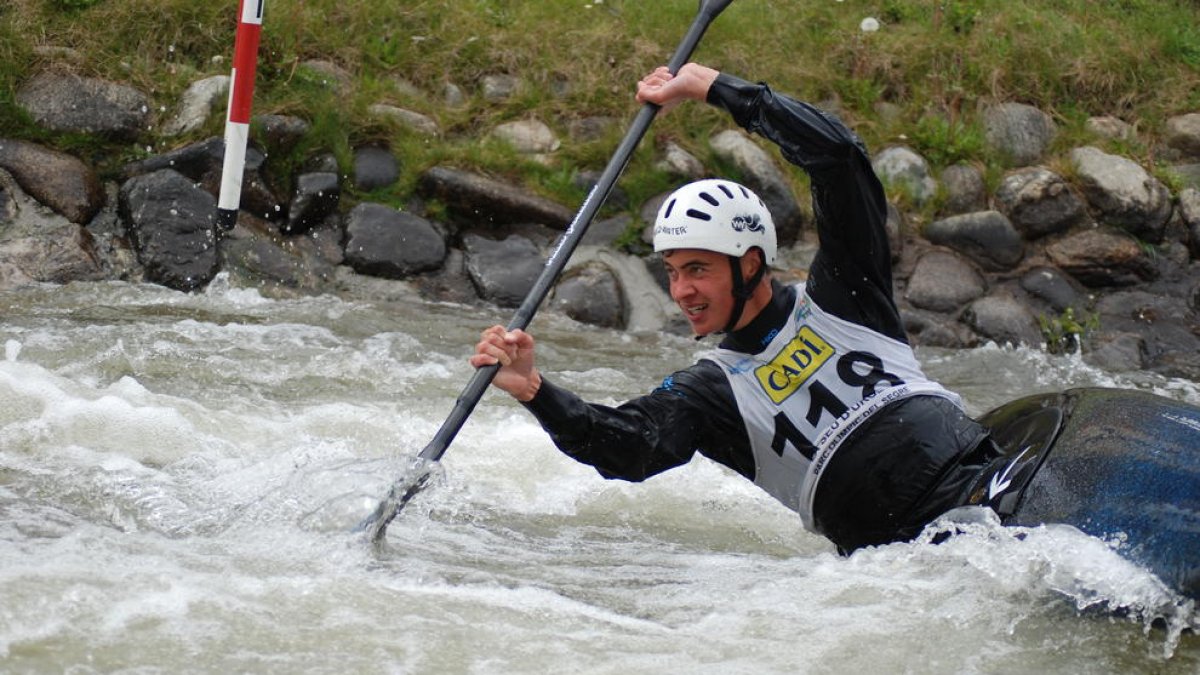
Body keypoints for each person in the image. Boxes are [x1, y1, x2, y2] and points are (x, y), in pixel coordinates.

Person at [469, 62, 1004, 554]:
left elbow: (839, 160)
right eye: (673, 272)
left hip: (981, 481)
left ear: (749, 265)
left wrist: (713, 87)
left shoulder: (845, 295)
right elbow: (628, 447)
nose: (681, 292)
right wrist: (534, 390)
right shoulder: (708, 394)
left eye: (697, 269)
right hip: (898, 555)